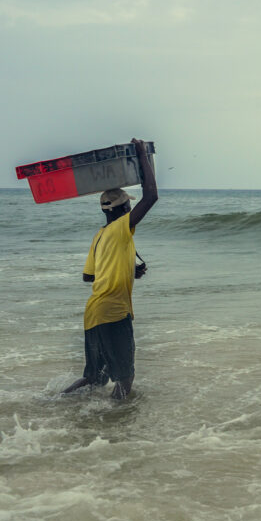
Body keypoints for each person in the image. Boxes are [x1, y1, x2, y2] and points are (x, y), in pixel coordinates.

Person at [63, 139, 157, 400]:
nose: (131, 208)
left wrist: (129, 271)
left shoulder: (100, 235)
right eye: (129, 205)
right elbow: (152, 196)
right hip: (114, 313)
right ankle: (117, 430)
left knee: (95, 378)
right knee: (125, 378)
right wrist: (142, 156)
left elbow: (88, 276)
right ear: (125, 209)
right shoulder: (121, 228)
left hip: (93, 313)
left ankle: (53, 404)